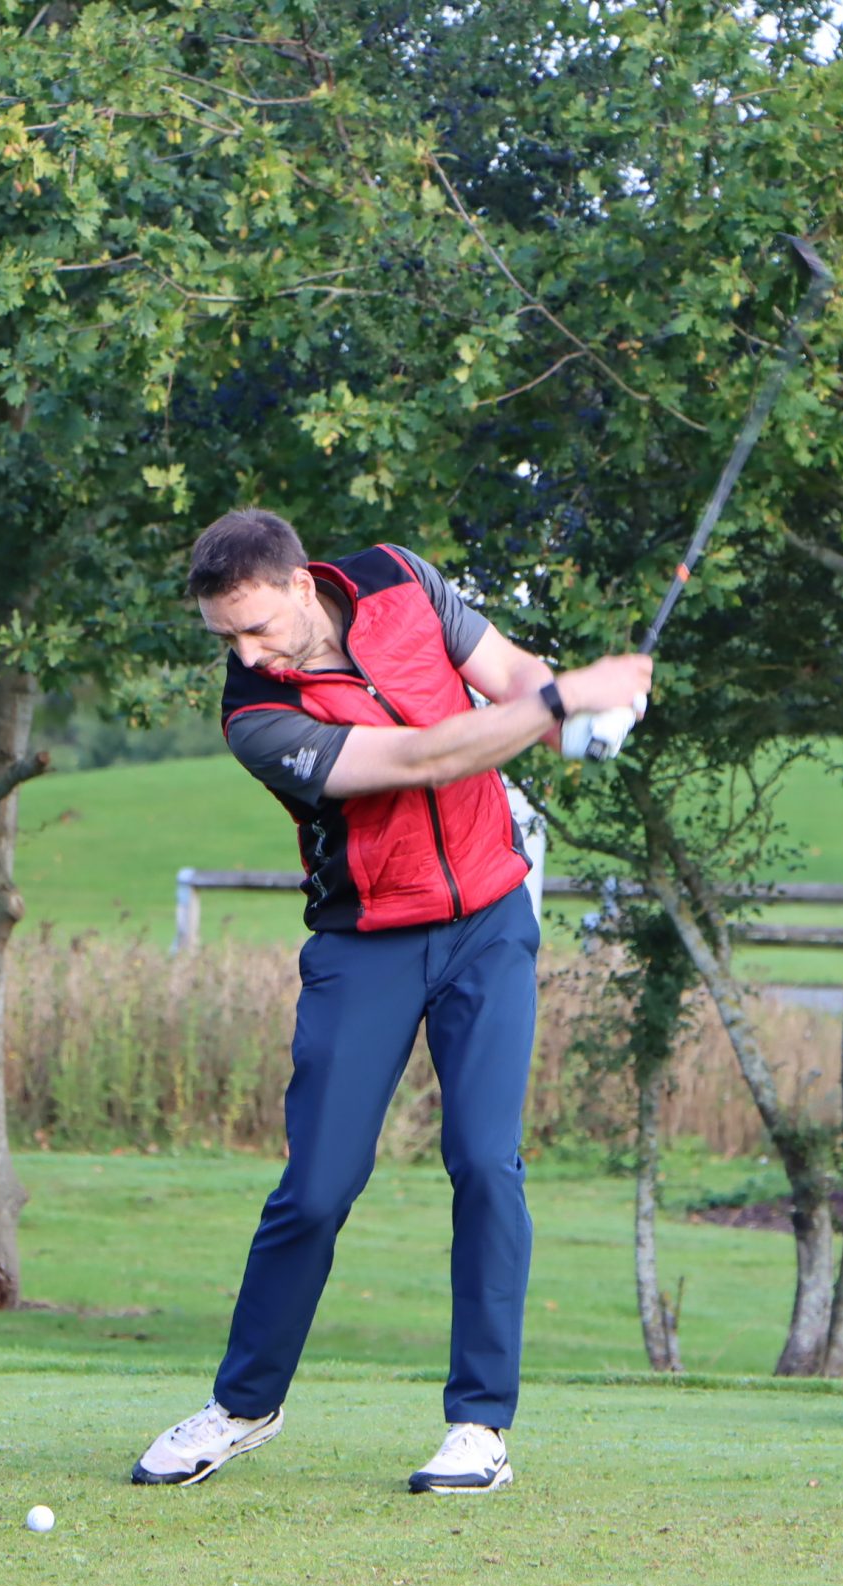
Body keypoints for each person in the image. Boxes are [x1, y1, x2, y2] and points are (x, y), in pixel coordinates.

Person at [131, 509, 652, 1493]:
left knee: (486, 1163)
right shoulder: (255, 715)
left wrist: (578, 713)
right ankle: (243, 1405)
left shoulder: (399, 577)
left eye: (256, 628)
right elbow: (423, 758)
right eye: (225, 638)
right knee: (318, 1186)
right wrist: (563, 699)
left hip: (489, 920)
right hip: (365, 941)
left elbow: (507, 670)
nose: (246, 654)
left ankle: (479, 1428)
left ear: (301, 583)